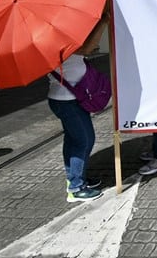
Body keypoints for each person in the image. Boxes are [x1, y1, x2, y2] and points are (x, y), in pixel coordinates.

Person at [48, 53, 103, 202]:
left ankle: (76, 178)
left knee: (73, 140)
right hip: (67, 101)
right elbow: (90, 47)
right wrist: (101, 28)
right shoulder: (61, 46)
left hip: (67, 98)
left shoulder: (60, 43)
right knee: (83, 141)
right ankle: (76, 188)